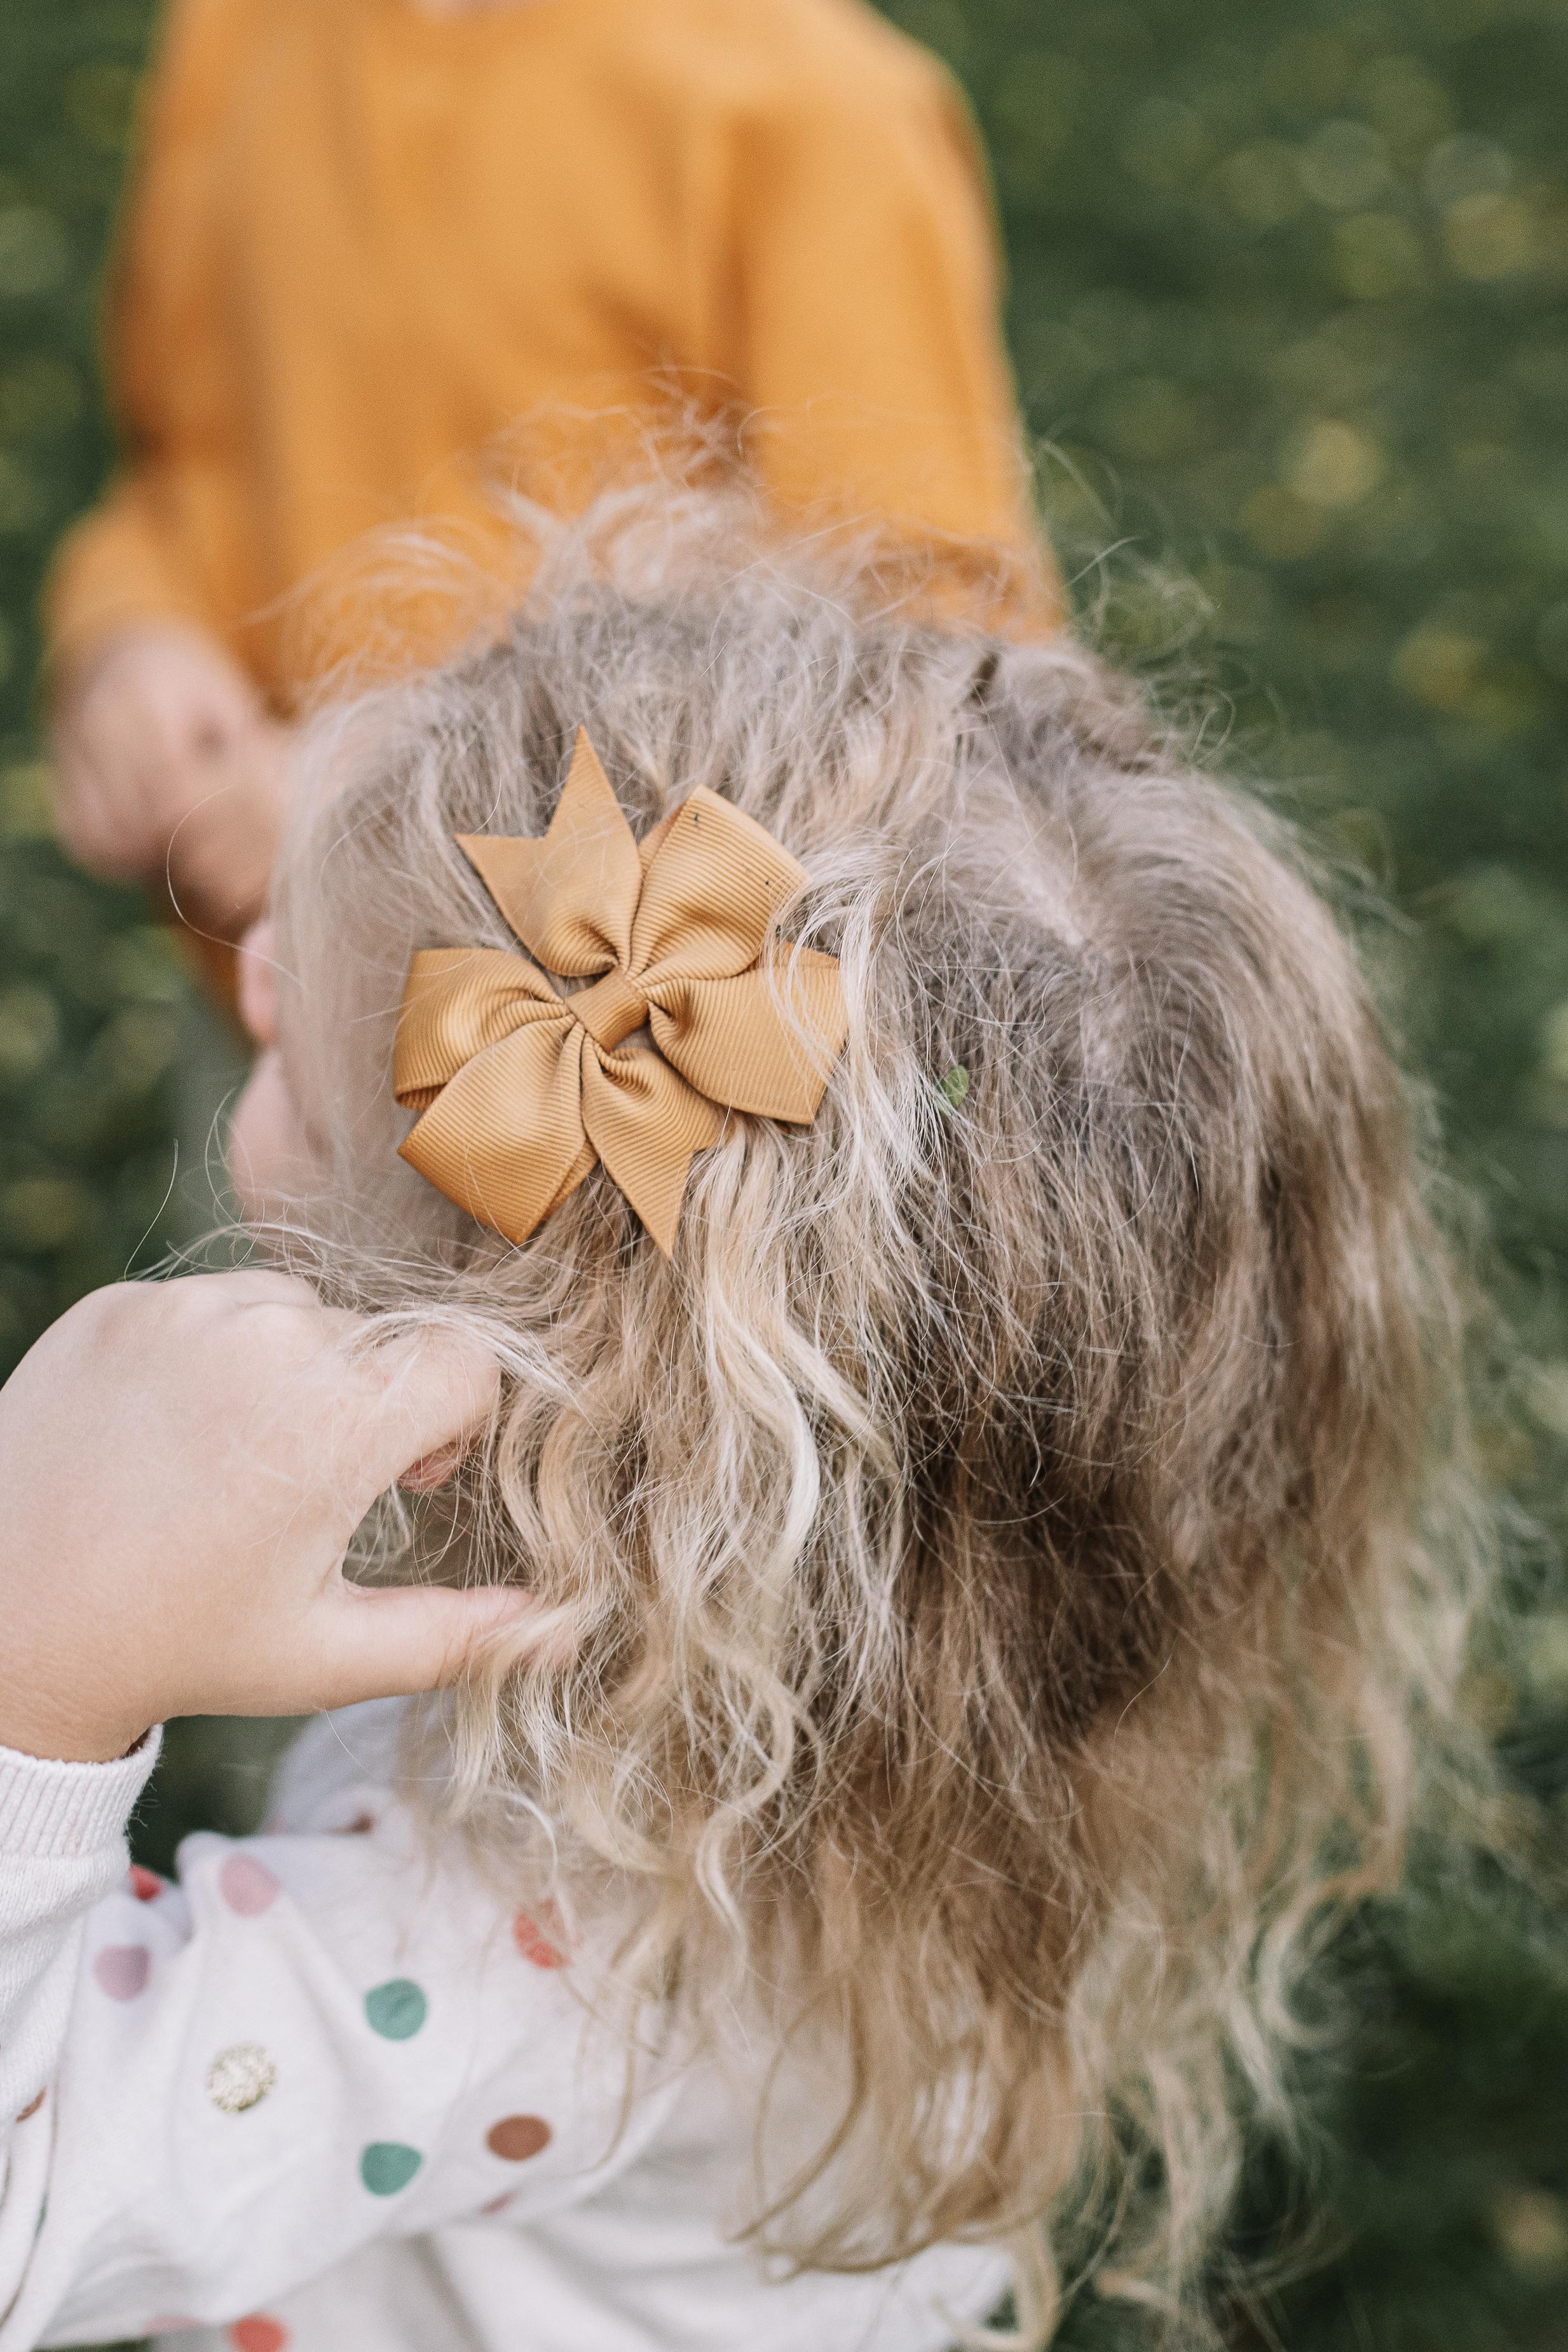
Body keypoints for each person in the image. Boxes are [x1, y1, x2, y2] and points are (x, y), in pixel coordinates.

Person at [0, 494, 1473, 2351]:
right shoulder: (918, 1674)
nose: (262, 970)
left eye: (326, 1038)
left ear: (557, 1347)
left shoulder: (536, 1941)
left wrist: (28, 1672)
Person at [44, 0, 1059, 983]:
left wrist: (381, 807)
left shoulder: (812, 104)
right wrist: (134, 639)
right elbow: (185, 455)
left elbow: (925, 669)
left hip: (623, 1080)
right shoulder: (240, 25)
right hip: (266, 994)